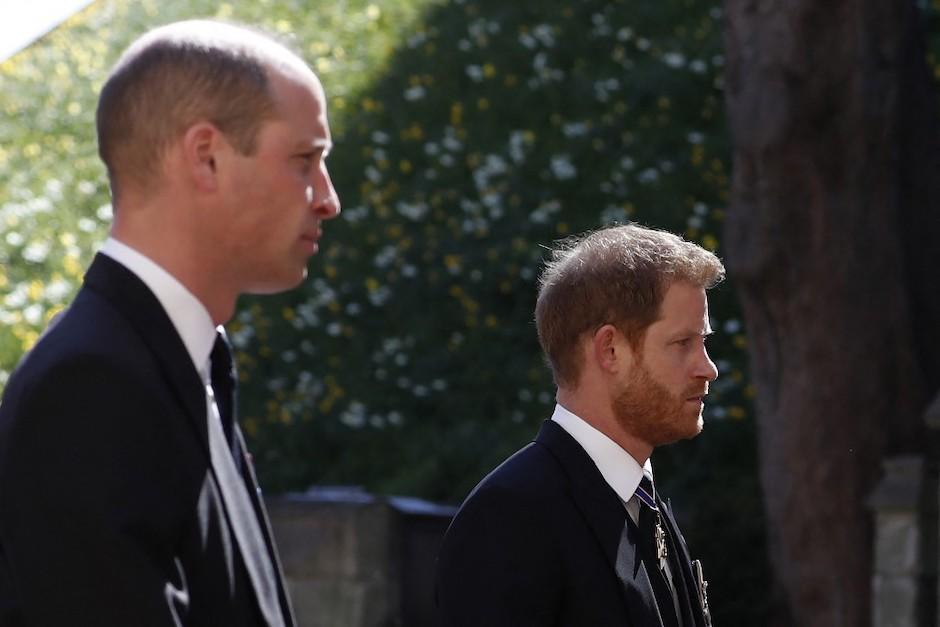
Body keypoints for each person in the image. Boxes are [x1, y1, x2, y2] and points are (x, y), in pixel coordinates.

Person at [0, 19, 340, 626]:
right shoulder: (90, 387)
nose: (327, 197)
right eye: (305, 159)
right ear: (205, 156)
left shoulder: (174, 358)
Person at [435, 223, 722, 626]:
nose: (707, 368)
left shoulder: (643, 503)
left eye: (703, 342)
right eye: (683, 343)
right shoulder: (510, 518)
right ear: (609, 350)